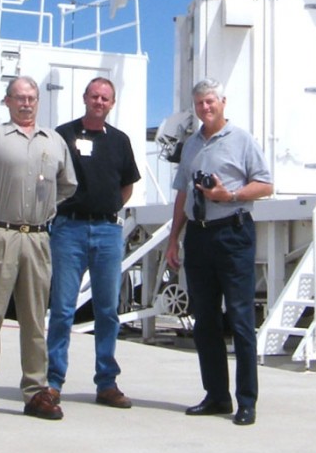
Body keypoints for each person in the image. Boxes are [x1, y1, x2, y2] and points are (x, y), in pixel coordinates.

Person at [0, 76, 77, 423]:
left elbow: (67, 184)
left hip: (38, 239)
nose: (26, 104)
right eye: (19, 98)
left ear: (38, 102)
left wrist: (43, 208)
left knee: (35, 319)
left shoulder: (54, 142)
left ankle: (36, 390)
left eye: (31, 98)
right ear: (7, 102)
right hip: (0, 235)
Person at [165, 78, 273, 427]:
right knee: (205, 321)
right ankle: (216, 395)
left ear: (223, 102)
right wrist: (173, 239)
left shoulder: (241, 140)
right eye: (199, 104)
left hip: (233, 232)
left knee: (241, 320)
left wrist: (231, 196)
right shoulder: (192, 144)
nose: (205, 108)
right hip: (199, 236)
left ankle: (247, 401)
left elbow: (266, 184)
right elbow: (182, 193)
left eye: (210, 101)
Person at [47, 77, 140, 409]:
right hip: (68, 231)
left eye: (106, 98)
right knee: (62, 309)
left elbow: (126, 187)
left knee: (107, 310)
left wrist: (108, 208)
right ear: (84, 98)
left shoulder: (120, 141)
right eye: (94, 96)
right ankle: (53, 382)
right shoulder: (63, 134)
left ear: (112, 104)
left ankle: (107, 383)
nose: (99, 102)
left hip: (107, 233)